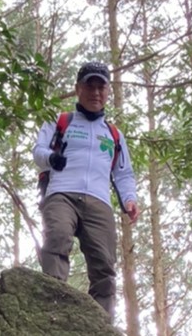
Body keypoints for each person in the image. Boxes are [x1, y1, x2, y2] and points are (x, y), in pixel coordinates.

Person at [33, 61, 139, 319]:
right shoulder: (60, 121)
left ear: (108, 91)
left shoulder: (113, 134)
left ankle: (100, 325)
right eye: (89, 86)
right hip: (61, 193)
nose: (95, 93)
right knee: (57, 238)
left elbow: (123, 173)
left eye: (101, 87)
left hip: (99, 201)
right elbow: (38, 151)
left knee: (104, 264)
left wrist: (129, 199)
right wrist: (51, 159)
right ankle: (52, 307)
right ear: (78, 89)